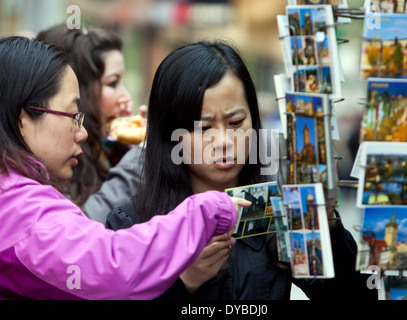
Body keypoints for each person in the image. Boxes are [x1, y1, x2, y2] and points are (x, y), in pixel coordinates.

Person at [106, 40, 378, 300]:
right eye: (204, 127)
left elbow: (358, 295)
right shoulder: (130, 224)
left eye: (236, 122)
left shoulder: (278, 209)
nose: (224, 141)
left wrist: (327, 225)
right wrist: (183, 282)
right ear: (169, 133)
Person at [0, 36, 247, 300]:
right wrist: (209, 210)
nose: (81, 132)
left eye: (236, 121)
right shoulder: (22, 210)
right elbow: (113, 265)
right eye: (73, 116)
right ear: (23, 120)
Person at [35, 24, 141, 220]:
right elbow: (82, 229)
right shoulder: (51, 165)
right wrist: (138, 161)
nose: (126, 98)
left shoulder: (110, 153)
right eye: (113, 83)